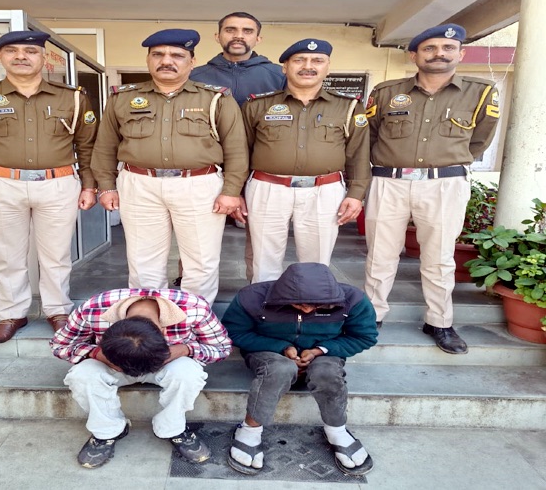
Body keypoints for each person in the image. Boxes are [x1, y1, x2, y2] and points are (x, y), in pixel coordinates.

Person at [0, 30, 98, 343]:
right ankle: (12, 314)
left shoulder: (71, 96)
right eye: (12, 50)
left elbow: (86, 146)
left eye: (30, 51)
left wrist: (89, 185)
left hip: (57, 184)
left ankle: (58, 311)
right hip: (0, 184)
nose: (21, 56)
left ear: (44, 58)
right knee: (7, 256)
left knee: (56, 256)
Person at [363, 24, 500, 354]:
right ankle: (371, 316)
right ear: (414, 55)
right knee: (380, 253)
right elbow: (370, 135)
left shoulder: (481, 92)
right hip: (390, 181)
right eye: (429, 48)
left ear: (460, 53)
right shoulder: (386, 91)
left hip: (444, 183)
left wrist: (446, 160)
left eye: (448, 47)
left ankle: (439, 321)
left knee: (439, 257)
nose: (439, 53)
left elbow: (480, 140)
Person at [91, 29, 248, 305]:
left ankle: (194, 319)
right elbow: (104, 146)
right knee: (143, 260)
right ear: (148, 60)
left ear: (192, 61)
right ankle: (150, 318)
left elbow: (236, 149)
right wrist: (106, 186)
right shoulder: (122, 98)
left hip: (199, 184)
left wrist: (231, 191)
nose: (167, 61)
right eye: (158, 55)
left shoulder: (216, 98)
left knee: (200, 260)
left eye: (177, 55)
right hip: (139, 184)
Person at [221, 262, 377, 475]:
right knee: (280, 368)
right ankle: (250, 429)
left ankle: (337, 430)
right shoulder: (252, 298)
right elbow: (233, 332)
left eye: (317, 305)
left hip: (325, 353)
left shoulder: (353, 300)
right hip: (269, 352)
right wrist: (282, 347)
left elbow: (364, 336)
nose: (308, 309)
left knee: (327, 372)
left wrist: (320, 350)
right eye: (300, 304)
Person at [49, 287, 232, 469]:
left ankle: (173, 428)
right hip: (114, 364)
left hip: (166, 363)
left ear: (163, 331)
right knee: (82, 375)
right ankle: (107, 431)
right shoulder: (93, 309)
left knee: (188, 373)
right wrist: (96, 353)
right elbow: (60, 345)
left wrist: (186, 349)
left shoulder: (195, 308)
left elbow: (222, 347)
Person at [238, 39, 371, 283]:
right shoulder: (257, 105)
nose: (308, 66)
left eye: (317, 61)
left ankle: (311, 305)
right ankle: (264, 306)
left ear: (327, 68)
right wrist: (235, 192)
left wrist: (356, 194)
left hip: (324, 189)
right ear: (285, 67)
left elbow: (359, 154)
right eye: (299, 60)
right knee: (263, 259)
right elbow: (241, 152)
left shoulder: (349, 107)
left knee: (316, 263)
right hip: (268, 188)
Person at [187, 11, 285, 283]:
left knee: (261, 238)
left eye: (247, 31)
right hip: (207, 168)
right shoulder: (196, 75)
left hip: (260, 168)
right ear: (217, 36)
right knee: (196, 236)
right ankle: (190, 286)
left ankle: (258, 289)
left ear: (258, 38)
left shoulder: (277, 75)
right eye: (230, 30)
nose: (238, 36)